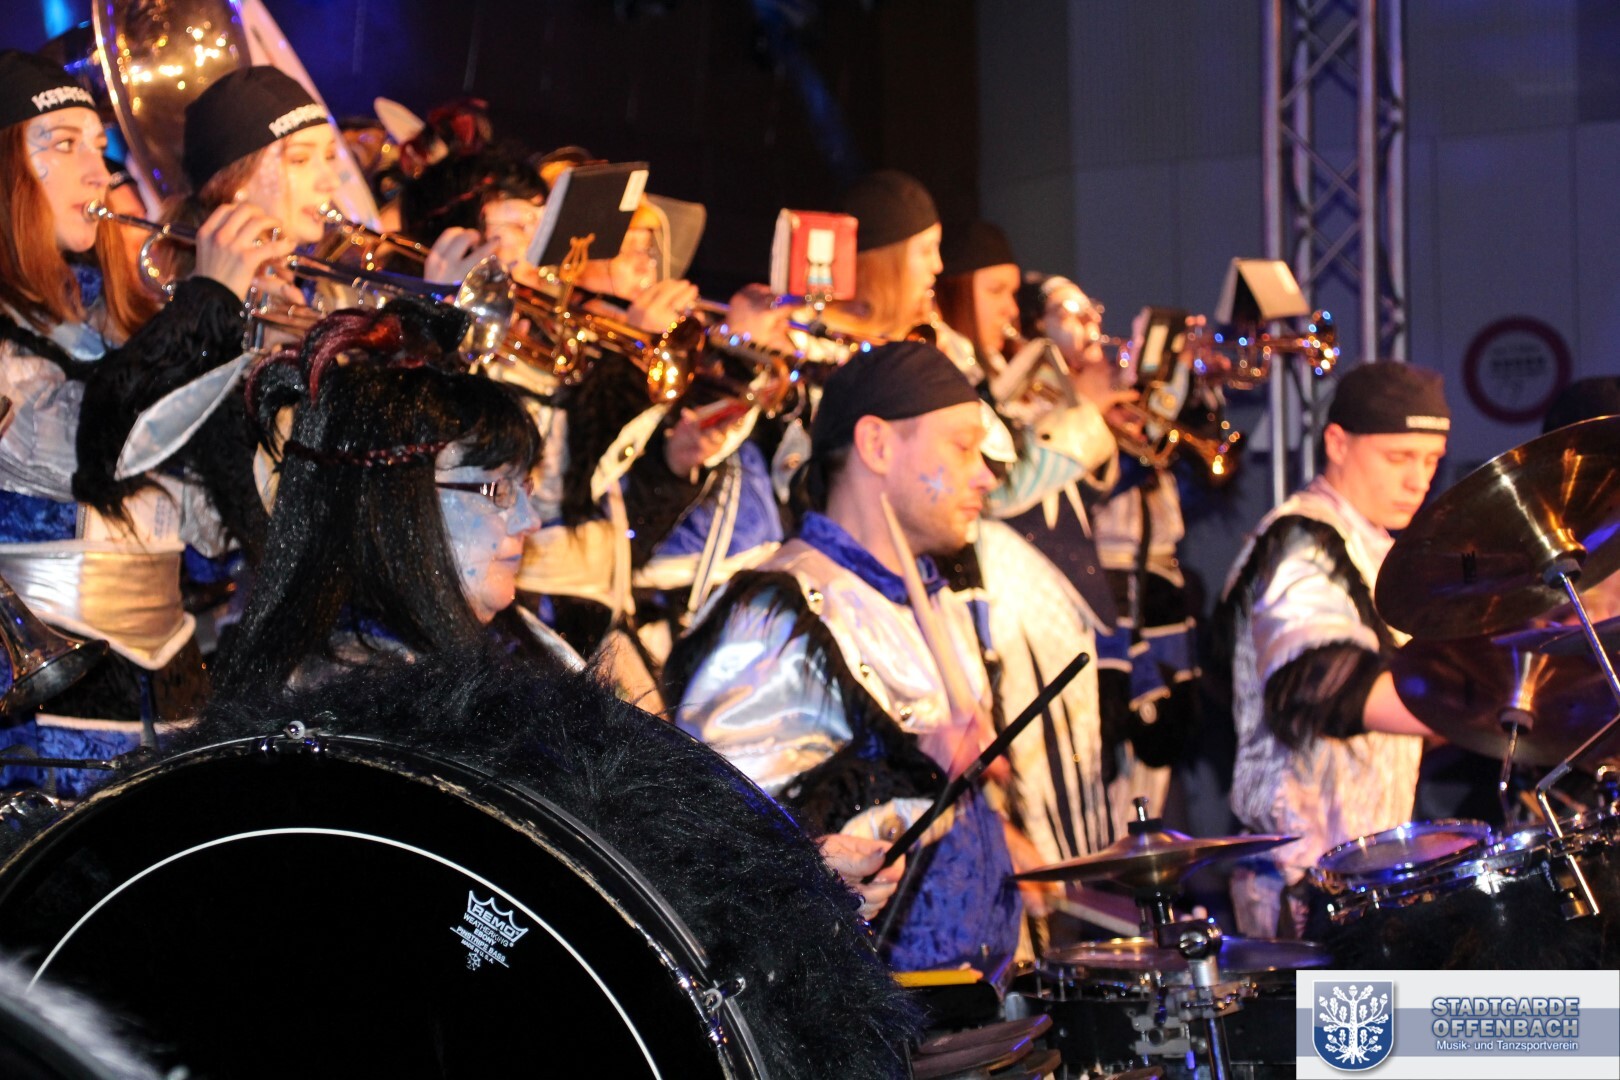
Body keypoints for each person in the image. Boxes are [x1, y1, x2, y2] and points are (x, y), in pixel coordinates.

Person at [667, 340, 1022, 971]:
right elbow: (718, 845)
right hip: (859, 1014)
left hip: (969, 1008)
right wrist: (917, 780)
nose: (985, 476)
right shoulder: (784, 612)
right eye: (963, 447)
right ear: (877, 445)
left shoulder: (936, 603)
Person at [0, 50, 277, 794]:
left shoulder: (116, 322)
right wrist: (207, 302)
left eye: (99, 147)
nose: (99, 173)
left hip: (171, 680)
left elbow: (216, 537)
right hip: (49, 707)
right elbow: (86, 451)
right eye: (63, 144)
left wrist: (259, 355)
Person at [210, 299, 572, 695]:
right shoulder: (358, 694)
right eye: (499, 489)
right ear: (398, 504)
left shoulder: (500, 640)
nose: (530, 520)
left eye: (524, 488)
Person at [1219, 359, 1448, 937]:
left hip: (1365, 876)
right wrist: (1479, 703)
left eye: (1431, 460)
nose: (1419, 480)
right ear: (1338, 443)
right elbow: (1324, 685)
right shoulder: (1303, 541)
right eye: (1398, 457)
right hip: (1302, 888)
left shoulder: (1377, 545)